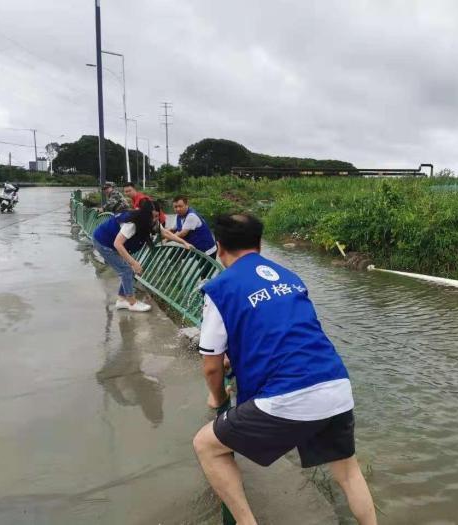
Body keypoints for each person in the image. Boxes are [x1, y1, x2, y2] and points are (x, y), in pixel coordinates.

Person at [192, 213, 377, 525]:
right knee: (348, 470)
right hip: (335, 382)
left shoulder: (219, 288)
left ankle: (246, 522)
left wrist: (217, 397)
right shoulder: (290, 277)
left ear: (218, 246)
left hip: (290, 393)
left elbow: (211, 367)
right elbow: (282, 334)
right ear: (260, 244)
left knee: (207, 445)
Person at [92, 199, 193, 312]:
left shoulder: (150, 221)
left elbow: (165, 233)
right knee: (126, 269)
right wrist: (134, 263)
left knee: (129, 269)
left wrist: (184, 242)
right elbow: (118, 244)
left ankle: (121, 300)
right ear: (145, 215)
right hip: (103, 242)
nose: (155, 219)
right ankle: (132, 302)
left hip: (113, 243)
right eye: (153, 216)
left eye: (157, 216)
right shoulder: (132, 223)